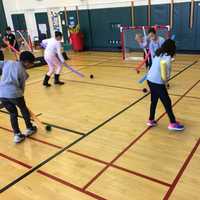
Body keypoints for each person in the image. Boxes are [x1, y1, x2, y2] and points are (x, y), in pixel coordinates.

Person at [146, 39, 184, 131]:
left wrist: (170, 60)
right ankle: (173, 123)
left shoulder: (159, 53)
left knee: (154, 100)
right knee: (167, 102)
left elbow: (162, 62)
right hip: (157, 82)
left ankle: (151, 120)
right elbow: (165, 78)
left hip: (149, 79)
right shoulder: (167, 60)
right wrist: (166, 83)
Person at [0, 51, 37, 143]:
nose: (31, 65)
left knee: (13, 114)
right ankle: (29, 128)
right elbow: (21, 87)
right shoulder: (23, 72)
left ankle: (17, 135)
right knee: (23, 109)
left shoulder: (7, 62)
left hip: (2, 93)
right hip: (14, 93)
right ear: (26, 62)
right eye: (31, 64)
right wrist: (21, 98)